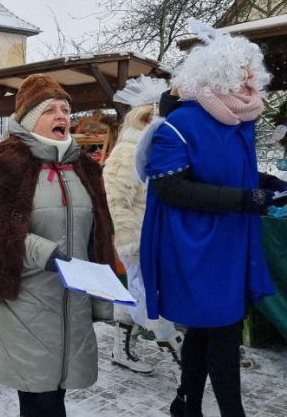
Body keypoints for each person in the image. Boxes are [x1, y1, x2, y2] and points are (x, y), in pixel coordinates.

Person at [138, 21, 287, 417]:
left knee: (208, 328)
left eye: (250, 67)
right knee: (223, 331)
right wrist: (245, 198)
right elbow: (170, 188)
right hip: (196, 245)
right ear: (219, 71)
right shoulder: (181, 123)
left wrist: (267, 183)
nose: (249, 74)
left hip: (229, 240)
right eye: (241, 67)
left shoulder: (239, 119)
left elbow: (227, 172)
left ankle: (185, 402)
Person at [0, 74, 116, 417]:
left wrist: (103, 287)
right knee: (39, 402)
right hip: (24, 303)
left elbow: (100, 235)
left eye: (65, 109)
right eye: (50, 109)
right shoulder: (7, 163)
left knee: (57, 396)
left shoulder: (86, 169)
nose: (61, 116)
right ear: (29, 119)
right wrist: (46, 253)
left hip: (71, 305)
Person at [103, 76, 184, 374]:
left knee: (135, 293)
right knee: (150, 300)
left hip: (152, 237)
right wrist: (129, 241)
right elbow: (115, 198)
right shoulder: (129, 150)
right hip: (138, 239)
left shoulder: (152, 147)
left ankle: (121, 349)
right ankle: (184, 364)